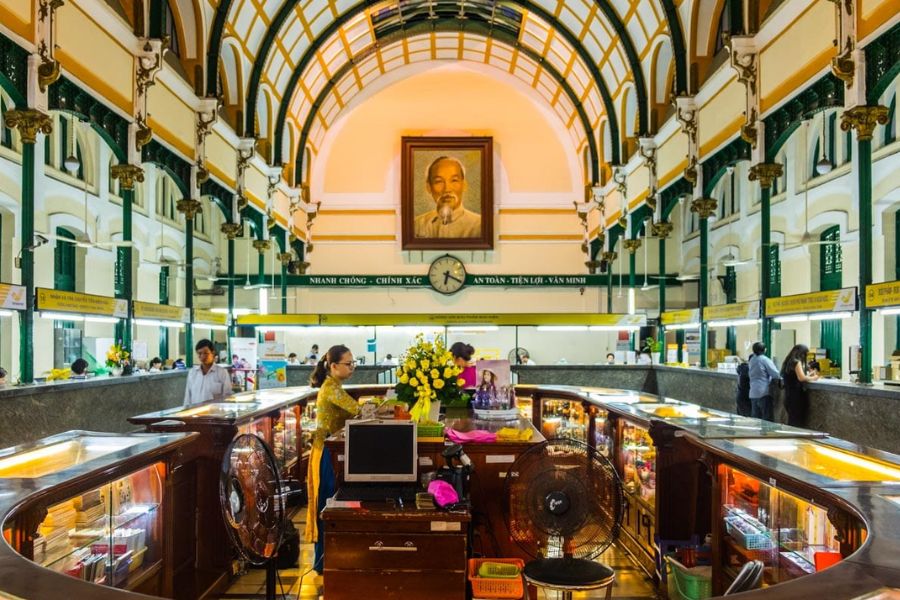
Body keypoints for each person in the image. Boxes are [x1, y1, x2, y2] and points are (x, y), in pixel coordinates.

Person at [304, 345, 360, 574]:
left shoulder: (335, 385)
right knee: (326, 504)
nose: (352, 367)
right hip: (325, 453)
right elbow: (355, 409)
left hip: (331, 451)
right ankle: (322, 562)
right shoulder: (331, 388)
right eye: (348, 364)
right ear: (334, 366)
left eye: (353, 363)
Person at [413, 156, 481, 238]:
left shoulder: (479, 225)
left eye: (454, 180)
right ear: (429, 187)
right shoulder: (417, 224)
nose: (447, 189)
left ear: (464, 185)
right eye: (439, 181)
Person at [183, 340, 232, 407]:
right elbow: (187, 397)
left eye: (206, 353)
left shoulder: (222, 373)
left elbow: (227, 397)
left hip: (214, 415)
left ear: (213, 353)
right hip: (195, 414)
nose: (202, 356)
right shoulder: (192, 373)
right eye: (199, 353)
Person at [781, 344, 819, 427]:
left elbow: (794, 376)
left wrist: (808, 375)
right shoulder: (796, 362)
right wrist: (814, 377)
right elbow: (801, 378)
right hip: (796, 395)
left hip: (788, 395)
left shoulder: (788, 361)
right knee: (797, 421)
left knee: (792, 419)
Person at [748, 342, 781, 422]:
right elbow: (776, 375)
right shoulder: (765, 360)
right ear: (765, 350)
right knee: (767, 421)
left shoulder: (752, 360)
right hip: (763, 393)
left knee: (756, 420)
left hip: (753, 393)